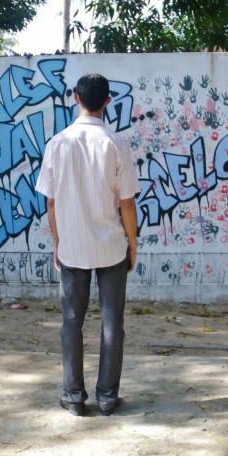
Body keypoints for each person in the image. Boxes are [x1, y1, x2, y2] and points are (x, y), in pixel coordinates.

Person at [35, 73, 140, 417]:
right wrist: (133, 244)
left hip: (72, 248)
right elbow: (127, 203)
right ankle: (107, 397)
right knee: (113, 324)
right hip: (111, 246)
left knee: (71, 322)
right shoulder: (117, 143)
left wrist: (58, 241)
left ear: (76, 99)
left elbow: (50, 203)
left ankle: (73, 396)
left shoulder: (57, 144)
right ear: (107, 102)